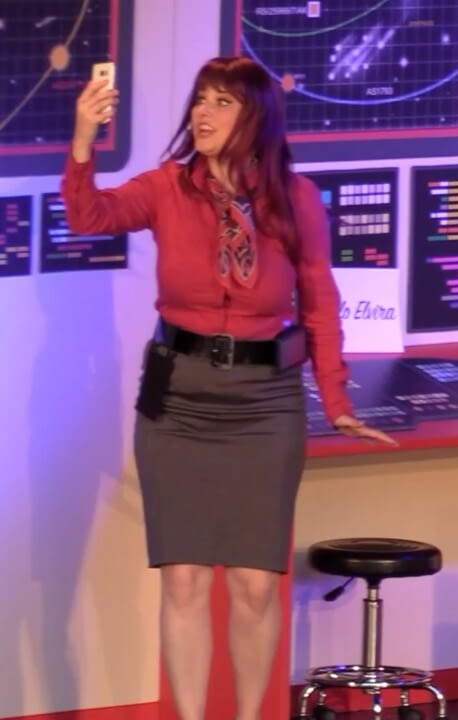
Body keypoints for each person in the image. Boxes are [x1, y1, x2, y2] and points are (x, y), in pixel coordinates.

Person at [64, 57, 398, 720]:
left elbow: (319, 304)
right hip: (177, 402)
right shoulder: (166, 187)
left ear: (256, 118)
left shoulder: (295, 199)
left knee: (252, 584)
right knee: (184, 579)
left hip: (265, 404)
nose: (203, 113)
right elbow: (89, 215)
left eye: (222, 102)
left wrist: (335, 401)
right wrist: (82, 137)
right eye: (200, 100)